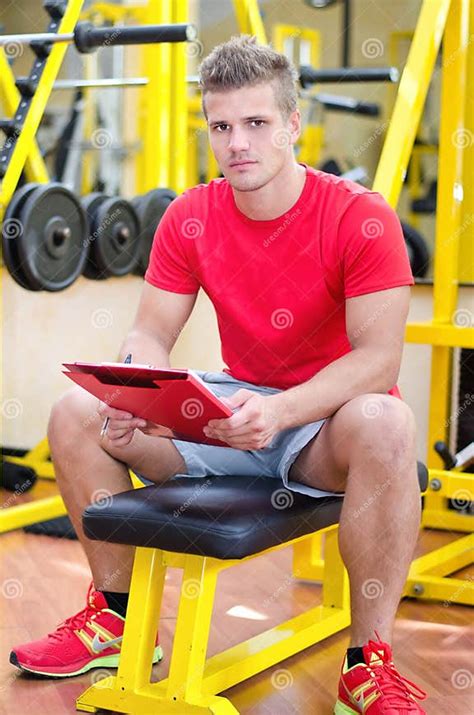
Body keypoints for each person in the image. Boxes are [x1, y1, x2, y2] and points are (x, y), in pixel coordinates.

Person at [11, 36, 427, 713]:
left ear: (293, 125)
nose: (237, 142)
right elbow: (151, 332)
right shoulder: (190, 217)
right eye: (221, 126)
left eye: (256, 123)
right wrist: (131, 385)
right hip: (236, 413)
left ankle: (368, 658)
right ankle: (115, 622)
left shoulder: (360, 218)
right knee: (74, 410)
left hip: (324, 426)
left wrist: (284, 411)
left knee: (387, 419)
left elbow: (377, 362)